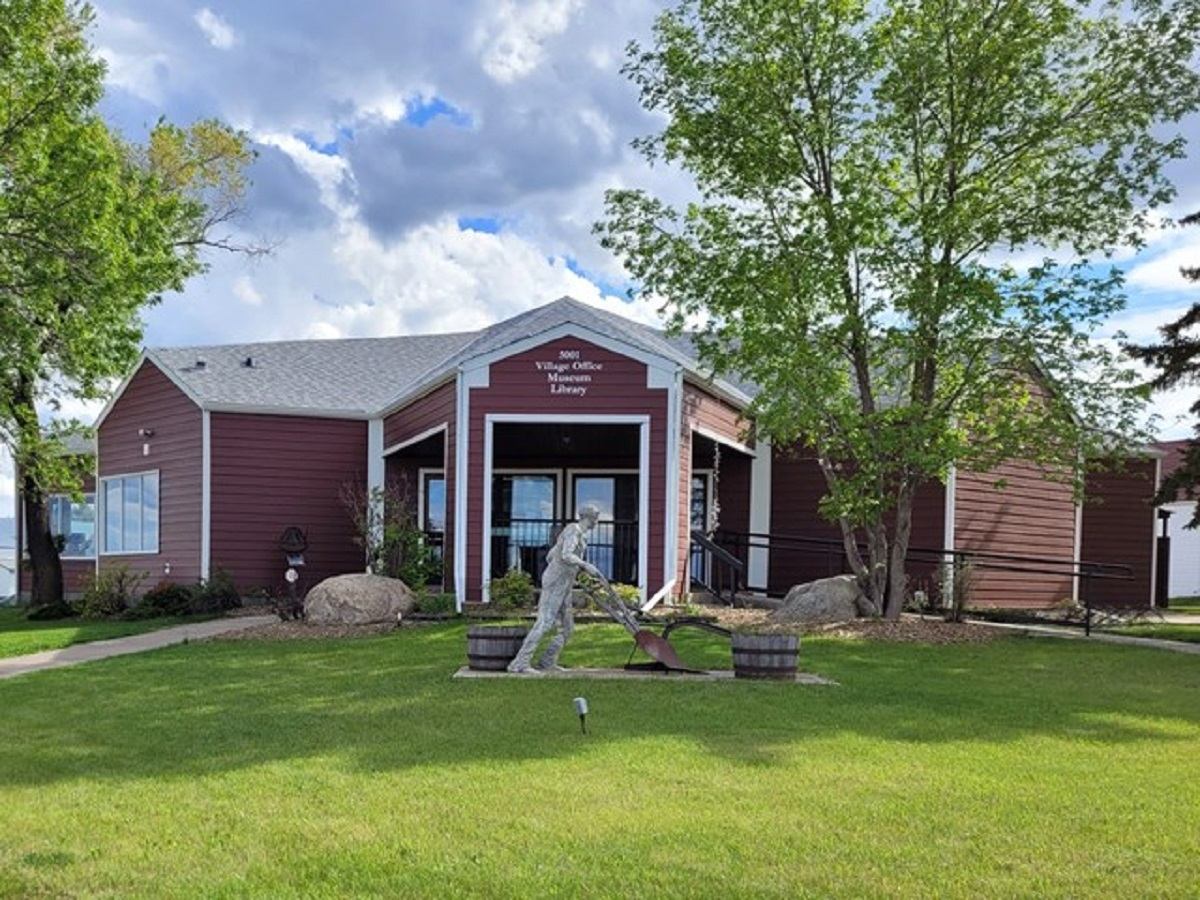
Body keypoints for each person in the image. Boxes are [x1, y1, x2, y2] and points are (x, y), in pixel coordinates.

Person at [507, 503, 605, 674]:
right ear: (589, 518)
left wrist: (572, 572)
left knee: (568, 627)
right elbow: (566, 555)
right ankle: (520, 663)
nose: (597, 522)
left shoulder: (580, 536)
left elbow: (551, 555)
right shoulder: (573, 530)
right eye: (596, 518)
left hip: (564, 583)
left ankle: (547, 661)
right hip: (556, 582)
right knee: (545, 622)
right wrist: (585, 566)